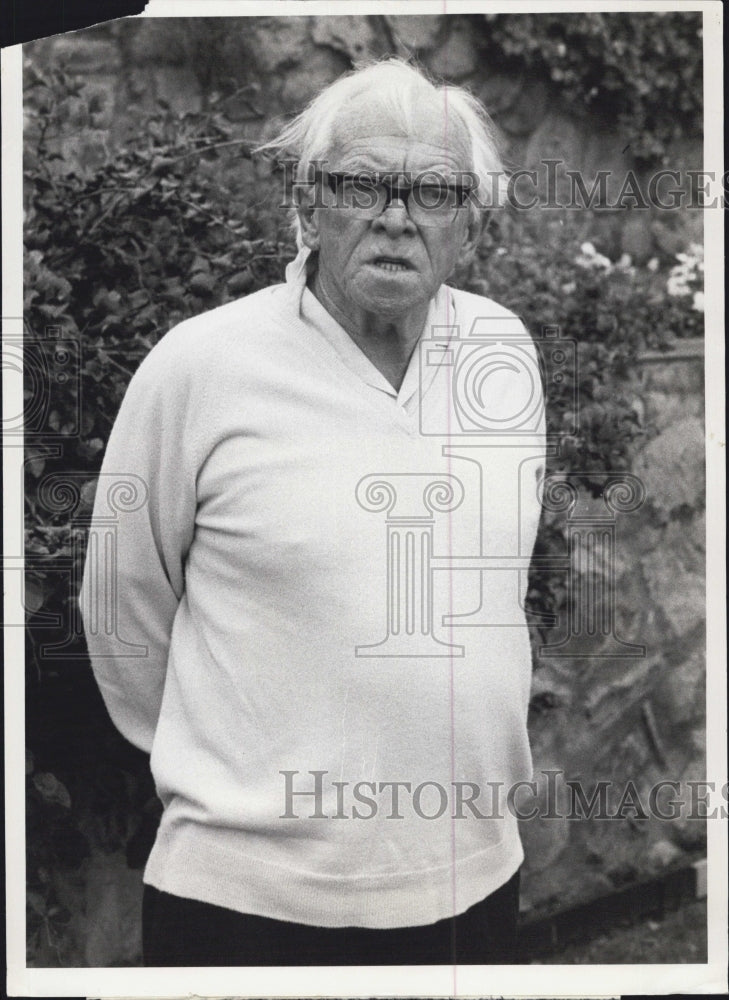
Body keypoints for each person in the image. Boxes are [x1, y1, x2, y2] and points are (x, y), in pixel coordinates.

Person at [80, 58, 546, 967]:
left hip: (476, 880)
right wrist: (226, 778)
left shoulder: (504, 351)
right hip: (246, 901)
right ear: (307, 203)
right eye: (362, 184)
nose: (396, 217)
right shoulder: (201, 365)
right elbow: (121, 610)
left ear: (471, 224)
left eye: (432, 192)